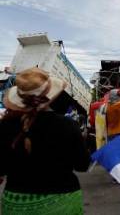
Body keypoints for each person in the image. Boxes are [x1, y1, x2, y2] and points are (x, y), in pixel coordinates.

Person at [0, 67, 90, 214]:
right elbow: (82, 165)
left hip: (16, 202)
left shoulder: (5, 125)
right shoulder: (68, 125)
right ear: (50, 96)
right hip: (62, 200)